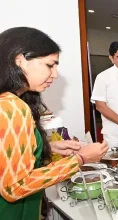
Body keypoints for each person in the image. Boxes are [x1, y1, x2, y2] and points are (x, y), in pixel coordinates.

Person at [0, 27, 108, 219]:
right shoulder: (11, 106)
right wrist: (81, 159)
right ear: (20, 60)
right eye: (50, 65)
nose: (55, 74)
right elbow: (15, 186)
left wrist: (47, 147)